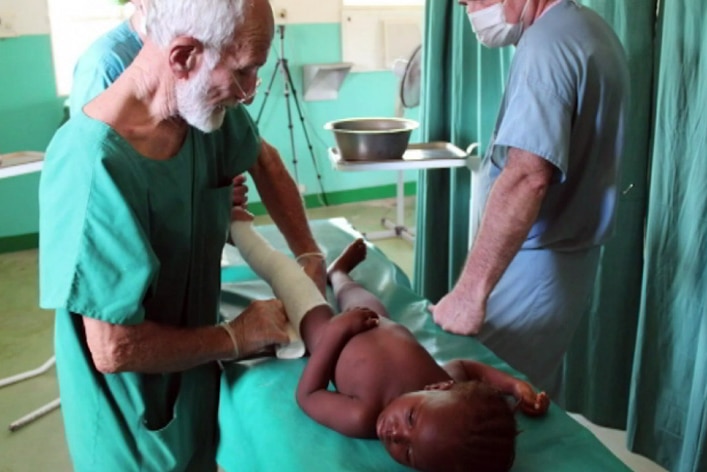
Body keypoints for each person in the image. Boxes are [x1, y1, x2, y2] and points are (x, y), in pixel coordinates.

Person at [38, 0, 324, 469]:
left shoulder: (204, 114)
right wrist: (235, 337)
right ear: (183, 56)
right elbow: (114, 348)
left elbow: (262, 161)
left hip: (194, 389)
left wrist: (307, 254)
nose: (250, 92)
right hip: (130, 426)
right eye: (244, 72)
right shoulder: (93, 166)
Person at [229, 209, 549, 472]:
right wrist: (513, 386)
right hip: (376, 318)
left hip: (334, 339)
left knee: (303, 298)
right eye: (411, 418)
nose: (394, 434)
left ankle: (244, 237)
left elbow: (308, 395)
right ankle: (339, 273)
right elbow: (470, 367)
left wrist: (339, 332)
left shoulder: (364, 416)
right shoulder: (448, 380)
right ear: (438, 389)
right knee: (354, 293)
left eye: (407, 453)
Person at [430, 0, 630, 398]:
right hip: (563, 259)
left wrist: (469, 294)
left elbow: (526, 177)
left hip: (537, 262)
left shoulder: (547, 47)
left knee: (485, 410)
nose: (468, 6)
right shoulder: (588, 28)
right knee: (526, 389)